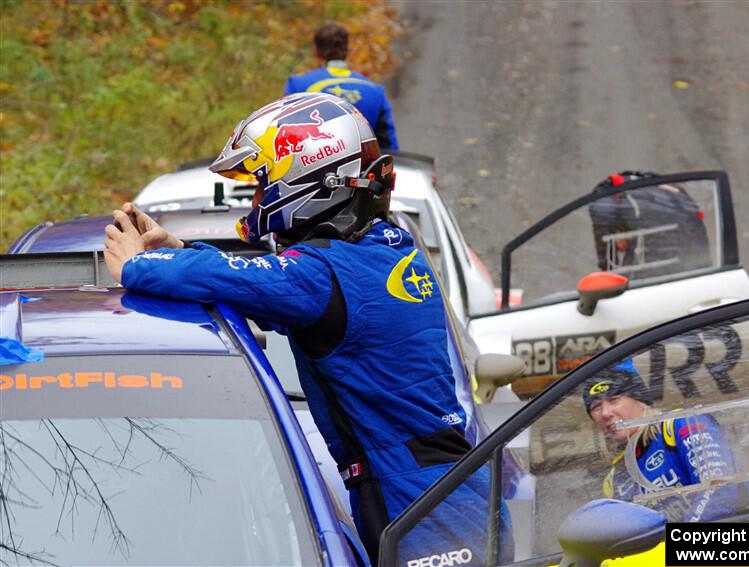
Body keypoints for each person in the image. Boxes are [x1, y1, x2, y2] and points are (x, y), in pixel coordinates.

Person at [103, 92, 509, 564]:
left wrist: (141, 266)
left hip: (416, 498)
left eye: (261, 185)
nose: (256, 200)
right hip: (441, 485)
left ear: (307, 183)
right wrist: (178, 248)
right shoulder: (384, 250)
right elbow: (266, 285)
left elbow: (268, 280)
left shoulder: (323, 276)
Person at [582, 359, 749, 522]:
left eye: (614, 400)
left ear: (639, 399)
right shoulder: (616, 479)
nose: (605, 413)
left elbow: (719, 490)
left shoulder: (683, 424)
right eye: (596, 407)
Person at [285, 21, 398, 152]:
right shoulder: (375, 90)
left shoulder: (298, 84)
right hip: (365, 167)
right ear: (348, 50)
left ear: (316, 51)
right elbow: (389, 146)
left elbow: (289, 132)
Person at [588, 171, 711, 279]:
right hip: (699, 275)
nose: (622, 249)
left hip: (652, 278)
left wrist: (607, 270)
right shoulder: (671, 188)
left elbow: (604, 241)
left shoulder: (607, 198)